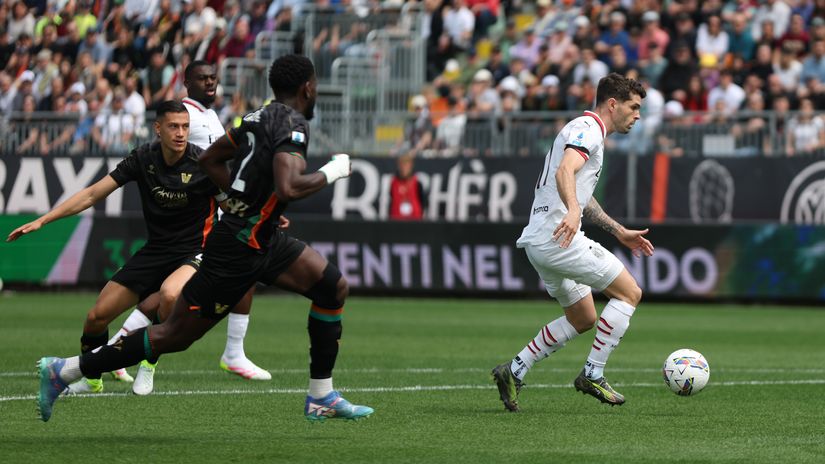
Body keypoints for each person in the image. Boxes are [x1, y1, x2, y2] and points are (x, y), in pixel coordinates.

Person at [36, 54, 374, 423]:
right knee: (174, 335)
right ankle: (66, 370)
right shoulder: (292, 124)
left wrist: (242, 201)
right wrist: (334, 170)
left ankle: (321, 396)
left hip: (264, 237)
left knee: (332, 286)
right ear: (308, 88)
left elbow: (211, 159)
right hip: (238, 248)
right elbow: (289, 186)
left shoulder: (257, 117)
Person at [8, 101, 225, 396]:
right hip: (156, 250)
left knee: (170, 294)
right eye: (173, 126)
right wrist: (44, 220)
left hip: (194, 251)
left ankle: (149, 363)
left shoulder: (204, 164)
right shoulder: (143, 158)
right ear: (157, 128)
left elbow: (235, 205)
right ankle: (93, 378)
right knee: (96, 317)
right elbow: (93, 193)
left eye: (185, 127)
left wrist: (268, 222)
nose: (180, 133)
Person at [491, 73, 654, 412]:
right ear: (613, 104)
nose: (638, 115)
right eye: (634, 107)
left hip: (541, 241)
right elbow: (565, 171)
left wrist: (617, 230)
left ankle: (514, 369)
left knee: (582, 317)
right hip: (559, 239)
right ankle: (592, 373)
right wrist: (573, 210)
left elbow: (581, 192)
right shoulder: (588, 129)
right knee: (630, 293)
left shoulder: (587, 131)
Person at [111, 61, 270, 395]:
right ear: (186, 83)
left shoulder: (209, 116)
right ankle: (233, 352)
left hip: (220, 211)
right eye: (202, 78)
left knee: (174, 293)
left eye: (213, 78)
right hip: (206, 220)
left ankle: (116, 348)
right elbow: (191, 161)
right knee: (238, 270)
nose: (210, 83)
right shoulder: (185, 115)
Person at [388, 154, 426, 221]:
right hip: (396, 219)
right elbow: (391, 199)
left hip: (414, 220)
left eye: (406, 165)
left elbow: (422, 201)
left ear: (411, 166)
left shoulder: (417, 182)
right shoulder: (393, 182)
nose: (404, 168)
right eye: (402, 165)